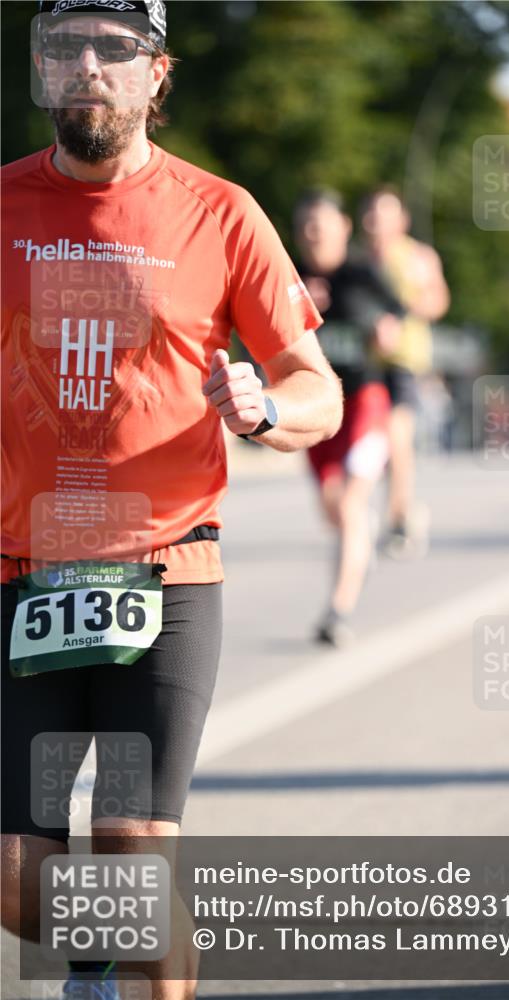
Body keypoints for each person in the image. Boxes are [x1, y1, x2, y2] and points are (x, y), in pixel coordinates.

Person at [1, 4, 342, 1000]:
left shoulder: (221, 213)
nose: (87, 67)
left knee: (132, 850)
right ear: (39, 67)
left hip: (167, 569)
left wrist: (267, 402)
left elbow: (315, 384)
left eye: (114, 50)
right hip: (20, 571)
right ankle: (106, 948)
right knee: (17, 877)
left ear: (158, 75)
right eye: (65, 48)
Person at [294, 190, 404, 647]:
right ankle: (359, 544)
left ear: (343, 228)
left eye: (323, 227)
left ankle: (337, 611)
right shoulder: (292, 280)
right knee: (333, 509)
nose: (314, 236)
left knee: (352, 506)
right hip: (317, 410)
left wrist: (385, 332)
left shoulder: (363, 274)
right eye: (306, 228)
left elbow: (395, 320)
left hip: (365, 403)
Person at [360, 187, 450, 557]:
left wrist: (406, 306)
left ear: (402, 220)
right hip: (365, 362)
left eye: (385, 215)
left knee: (397, 439)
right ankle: (399, 510)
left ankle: (397, 519)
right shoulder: (359, 259)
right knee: (370, 444)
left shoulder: (417, 257)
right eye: (372, 215)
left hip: (404, 361)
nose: (378, 223)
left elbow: (438, 301)